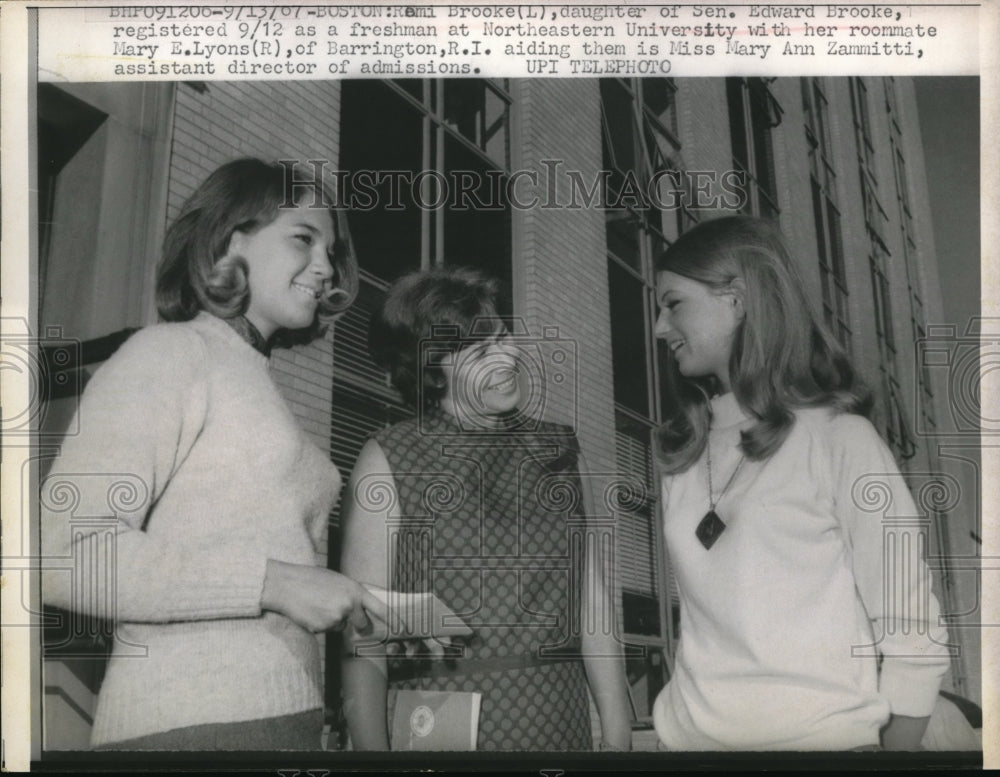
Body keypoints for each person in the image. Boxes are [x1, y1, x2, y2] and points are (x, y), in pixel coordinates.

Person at [40, 158, 387, 751]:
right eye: (303, 238)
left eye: (332, 250)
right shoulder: (170, 353)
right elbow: (64, 555)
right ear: (228, 242)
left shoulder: (252, 377)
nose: (325, 266)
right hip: (189, 729)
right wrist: (273, 584)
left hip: (279, 725)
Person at [649, 215, 951, 751]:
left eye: (673, 304)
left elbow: (914, 639)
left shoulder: (841, 440)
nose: (659, 328)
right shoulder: (682, 457)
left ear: (737, 299)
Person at [340, 268, 632, 751]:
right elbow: (364, 636)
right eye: (479, 352)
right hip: (440, 722)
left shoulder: (555, 450)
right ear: (432, 372)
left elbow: (592, 604)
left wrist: (618, 733)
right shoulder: (389, 458)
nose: (509, 355)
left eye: (503, 336)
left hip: (557, 719)